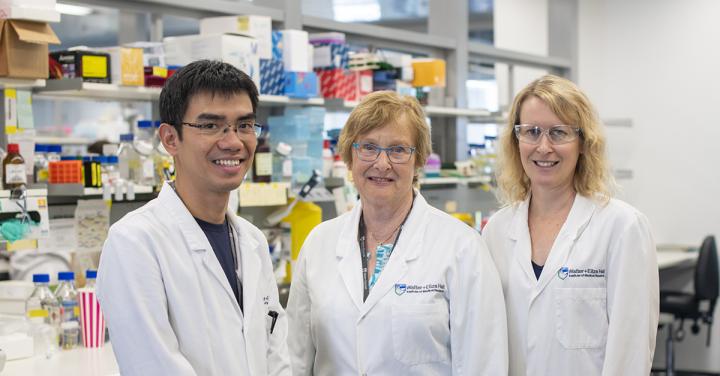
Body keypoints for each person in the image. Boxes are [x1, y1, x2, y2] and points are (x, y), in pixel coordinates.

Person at [286, 91, 508, 375]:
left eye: (398, 150)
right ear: (350, 157)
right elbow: (294, 357)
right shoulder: (320, 243)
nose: (382, 163)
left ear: (419, 161)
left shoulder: (463, 248)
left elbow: (483, 364)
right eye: (368, 147)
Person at [97, 60, 290, 375]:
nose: (233, 142)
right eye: (210, 125)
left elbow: (277, 356)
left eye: (244, 125)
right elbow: (153, 366)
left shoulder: (252, 240)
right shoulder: (134, 243)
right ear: (170, 139)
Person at [482, 74, 659, 375]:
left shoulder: (622, 227)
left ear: (583, 143)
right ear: (516, 141)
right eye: (532, 131)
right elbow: (486, 339)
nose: (543, 146)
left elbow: (630, 349)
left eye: (559, 132)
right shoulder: (496, 231)